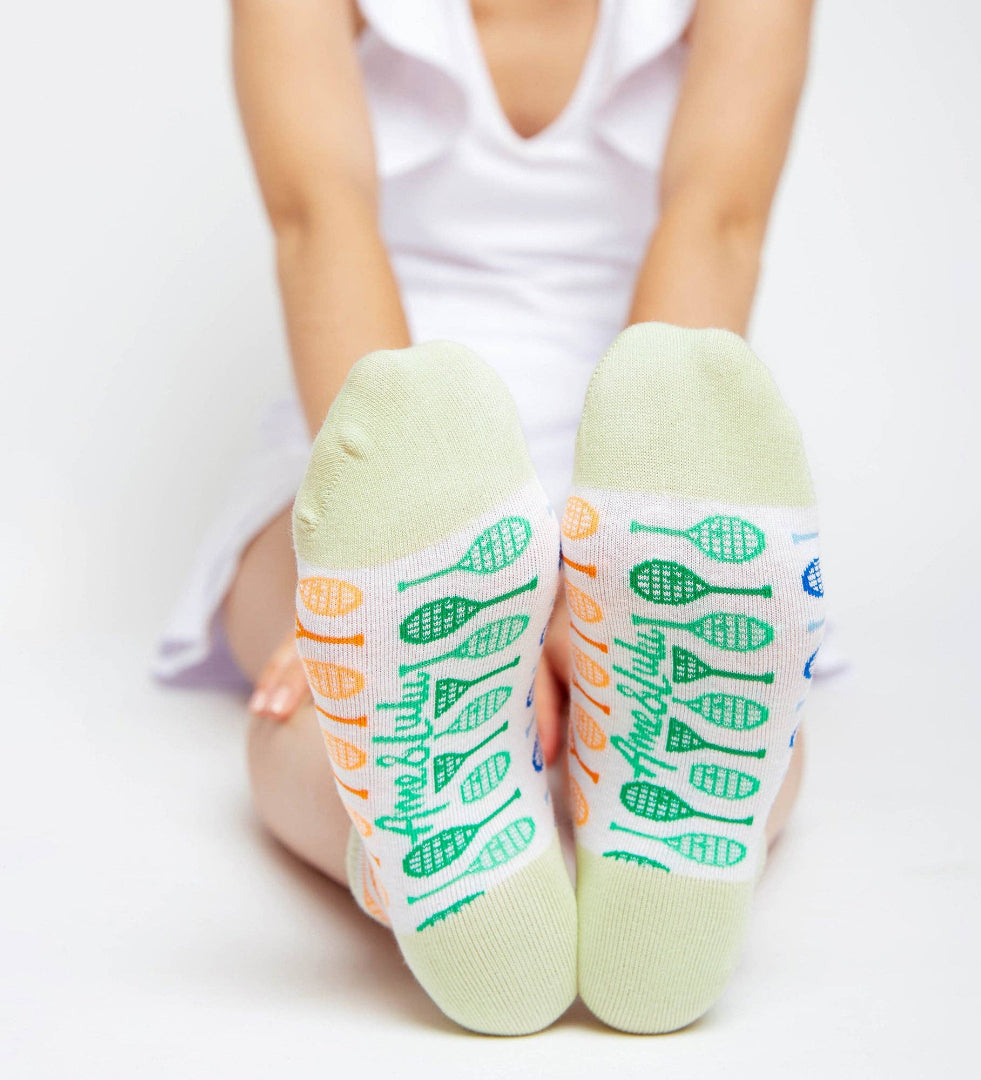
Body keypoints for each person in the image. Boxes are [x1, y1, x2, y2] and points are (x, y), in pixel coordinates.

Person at [158, 0, 819, 1037]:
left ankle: (617, 860)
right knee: (327, 669)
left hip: (640, 456)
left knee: (709, 695)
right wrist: (381, 552)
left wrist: (600, 563)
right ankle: (447, 854)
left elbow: (717, 224)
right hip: (369, 440)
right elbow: (316, 222)